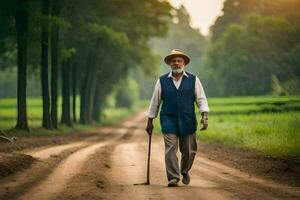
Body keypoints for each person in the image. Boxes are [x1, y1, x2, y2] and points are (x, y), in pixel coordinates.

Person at [145, 49, 209, 187]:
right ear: (169, 64)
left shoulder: (193, 79)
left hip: (188, 120)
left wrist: (204, 116)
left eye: (179, 60)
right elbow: (155, 102)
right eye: (173, 61)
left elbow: (201, 99)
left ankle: (184, 171)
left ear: (184, 63)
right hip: (168, 120)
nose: (176, 63)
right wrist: (150, 121)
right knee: (170, 149)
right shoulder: (162, 80)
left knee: (189, 151)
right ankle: (173, 177)